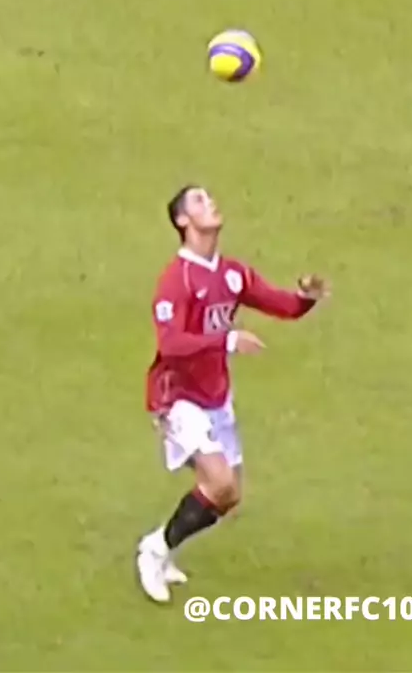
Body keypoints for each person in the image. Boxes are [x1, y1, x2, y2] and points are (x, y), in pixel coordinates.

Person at [136, 185, 329, 602]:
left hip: (215, 396)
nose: (211, 203)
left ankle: (161, 543)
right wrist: (226, 340)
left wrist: (305, 298)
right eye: (199, 201)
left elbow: (282, 305)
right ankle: (153, 553)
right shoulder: (176, 280)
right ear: (183, 221)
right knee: (219, 480)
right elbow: (170, 344)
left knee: (227, 495)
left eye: (209, 198)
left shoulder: (231, 273)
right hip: (178, 395)